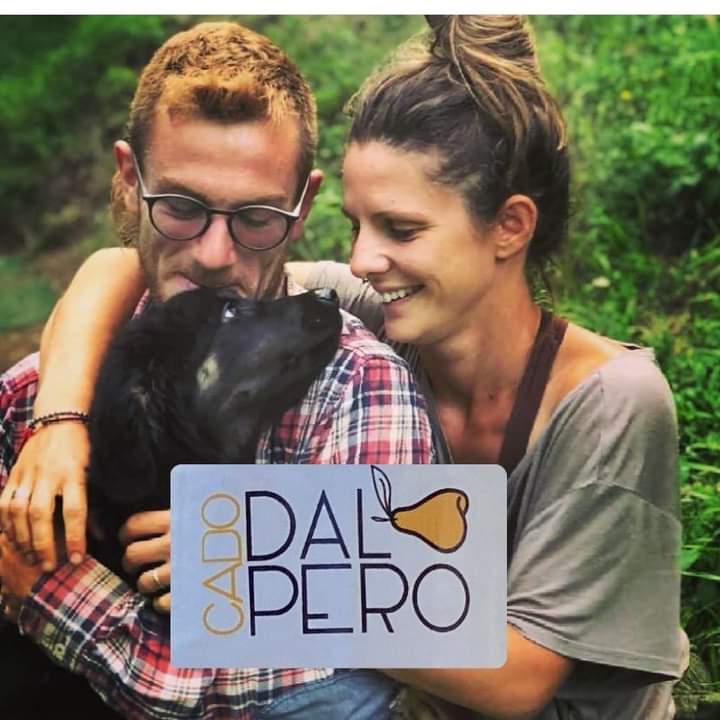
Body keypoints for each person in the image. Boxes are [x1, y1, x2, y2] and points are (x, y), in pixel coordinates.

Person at [1, 15, 688, 719]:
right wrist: (61, 422)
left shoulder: (612, 402)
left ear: (509, 227)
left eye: (401, 229)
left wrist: (264, 556)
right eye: (357, 224)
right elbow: (127, 270)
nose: (360, 258)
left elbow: (520, 684)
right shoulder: (377, 306)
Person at [0, 20, 435, 720]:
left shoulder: (360, 391)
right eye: (180, 208)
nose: (212, 255)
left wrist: (49, 591)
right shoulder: (44, 387)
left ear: (302, 208)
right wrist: (60, 419)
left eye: (256, 217)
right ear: (129, 180)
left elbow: (343, 679)